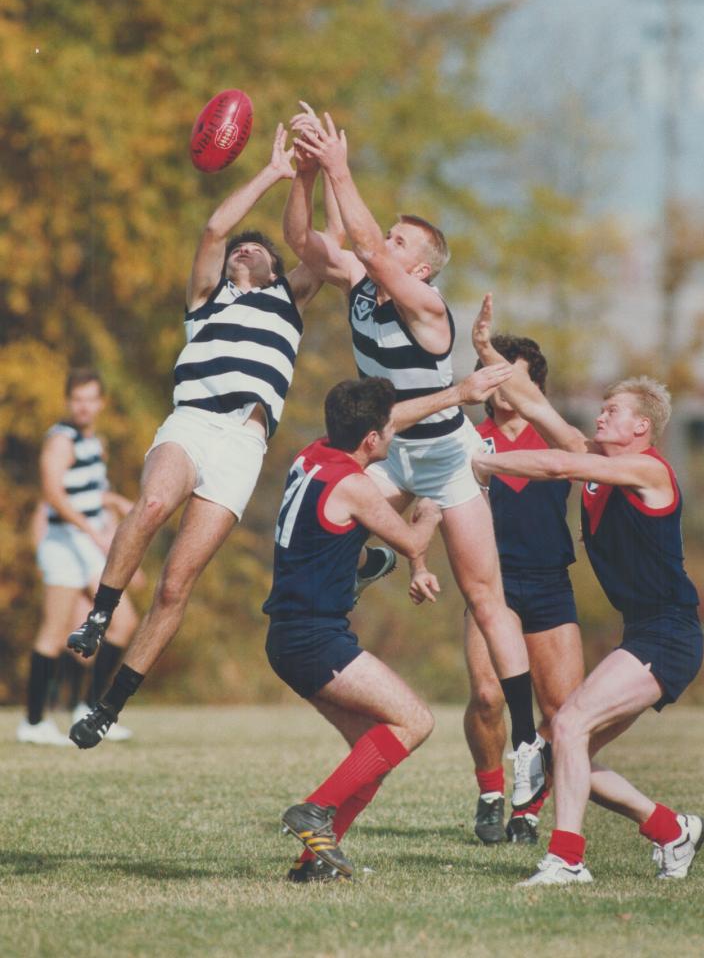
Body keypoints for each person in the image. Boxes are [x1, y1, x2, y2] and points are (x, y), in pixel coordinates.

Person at [281, 105, 545, 810]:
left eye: (398, 240)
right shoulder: (365, 285)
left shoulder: (427, 307)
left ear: (419, 266)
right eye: (387, 236)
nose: (382, 243)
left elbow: (366, 246)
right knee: (319, 514)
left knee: (486, 599)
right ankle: (370, 563)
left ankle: (526, 742)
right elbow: (306, 244)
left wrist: (341, 167)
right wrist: (305, 177)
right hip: (392, 452)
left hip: (444, 456)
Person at [66, 125, 335, 748]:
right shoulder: (205, 301)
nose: (242, 250)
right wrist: (269, 171)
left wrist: (308, 176)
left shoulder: (287, 301)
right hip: (192, 420)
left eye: (256, 250)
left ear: (274, 267)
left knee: (176, 584)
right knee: (153, 504)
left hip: (244, 443)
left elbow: (321, 252)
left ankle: (107, 709)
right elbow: (216, 228)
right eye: (238, 251)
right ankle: (100, 614)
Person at [472, 295, 704, 885]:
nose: (599, 418)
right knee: (562, 750)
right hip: (645, 632)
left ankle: (567, 859)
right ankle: (671, 830)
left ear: (640, 427)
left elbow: (553, 466)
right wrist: (483, 353)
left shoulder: (648, 470)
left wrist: (485, 459)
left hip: (669, 633)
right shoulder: (593, 458)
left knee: (570, 723)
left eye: (611, 411)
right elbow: (532, 404)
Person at [272, 368, 513, 882]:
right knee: (415, 722)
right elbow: (410, 541)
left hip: (291, 637)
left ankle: (312, 864)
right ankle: (312, 810)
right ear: (371, 439)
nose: (394, 432)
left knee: (373, 753)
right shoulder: (355, 486)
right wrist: (431, 504)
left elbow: (388, 422)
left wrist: (453, 397)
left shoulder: (313, 455)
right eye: (387, 428)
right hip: (314, 637)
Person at [465, 334, 584, 845]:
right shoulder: (467, 441)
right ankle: (491, 793)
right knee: (488, 695)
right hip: (490, 587)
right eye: (497, 376)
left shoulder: (561, 440)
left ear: (536, 385)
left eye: (518, 377)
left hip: (551, 583)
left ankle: (527, 808)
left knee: (563, 714)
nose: (507, 389)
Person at [17, 370, 139, 746]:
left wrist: (114, 501)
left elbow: (88, 491)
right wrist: (93, 533)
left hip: (87, 542)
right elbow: (53, 494)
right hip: (64, 543)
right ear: (68, 401)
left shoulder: (94, 442)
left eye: (90, 399)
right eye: (77, 399)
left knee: (122, 625)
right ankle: (34, 722)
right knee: (53, 632)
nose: (83, 406)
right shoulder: (60, 440)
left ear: (101, 403)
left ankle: (87, 707)